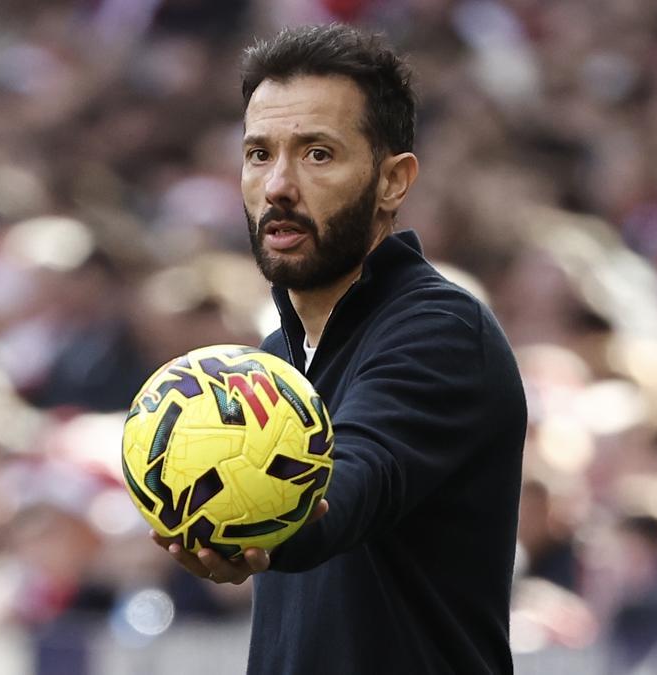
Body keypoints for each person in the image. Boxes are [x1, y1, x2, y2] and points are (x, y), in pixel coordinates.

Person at [152, 23, 527, 673]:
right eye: (259, 154)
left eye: (317, 154)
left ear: (394, 181)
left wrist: (257, 522)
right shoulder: (272, 361)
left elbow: (350, 483)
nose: (278, 187)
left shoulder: (443, 332)